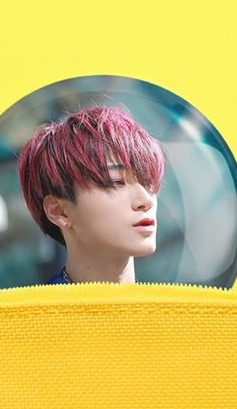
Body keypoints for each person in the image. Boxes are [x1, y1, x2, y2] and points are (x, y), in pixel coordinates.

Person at [17, 105, 165, 284]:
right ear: (60, 211)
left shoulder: (178, 301)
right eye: (116, 181)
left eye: (148, 182)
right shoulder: (34, 304)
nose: (146, 200)